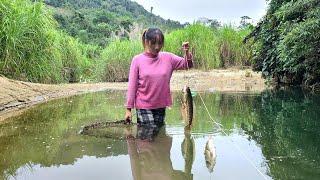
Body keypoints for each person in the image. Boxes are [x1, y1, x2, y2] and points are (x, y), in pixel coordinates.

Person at [125, 27, 193, 125]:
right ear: (147, 42)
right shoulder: (137, 60)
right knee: (147, 134)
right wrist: (128, 109)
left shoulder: (168, 58)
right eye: (153, 43)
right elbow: (132, 86)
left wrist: (186, 52)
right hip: (144, 106)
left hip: (161, 105)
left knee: (158, 134)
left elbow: (187, 65)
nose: (157, 47)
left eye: (160, 43)